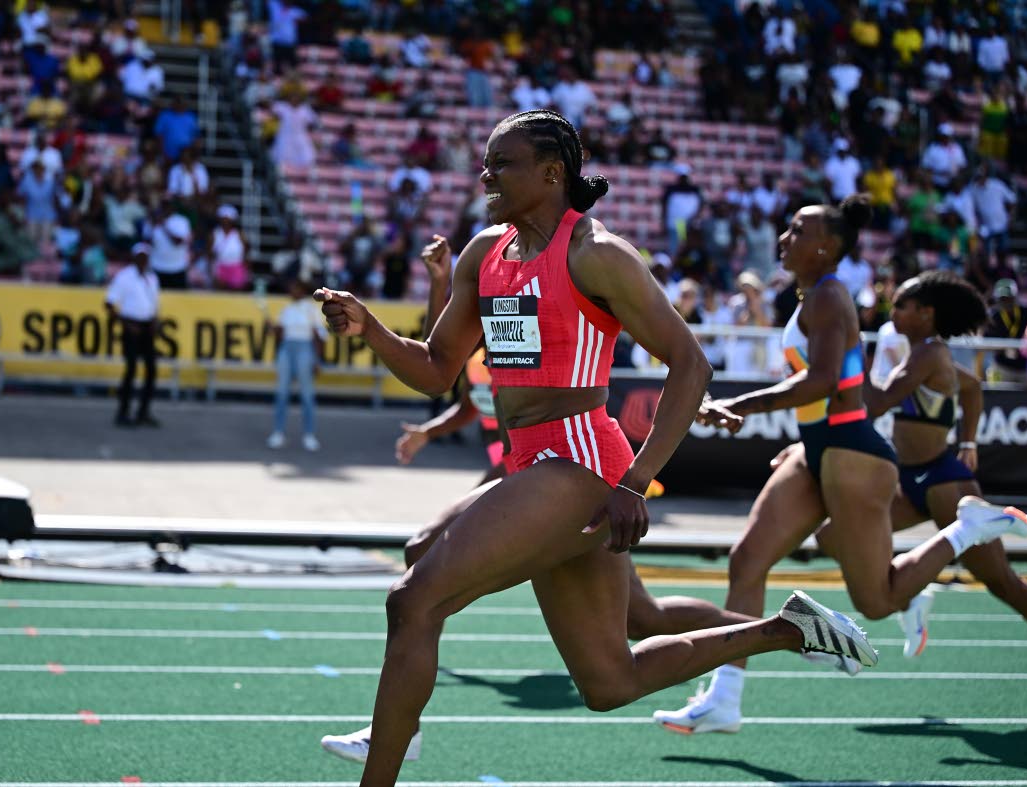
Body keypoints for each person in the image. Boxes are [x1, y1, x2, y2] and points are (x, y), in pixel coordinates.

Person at [314, 111, 878, 783]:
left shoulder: (596, 253)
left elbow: (691, 364)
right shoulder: (483, 253)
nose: (486, 175)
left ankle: (382, 763)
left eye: (504, 164)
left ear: (553, 174)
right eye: (487, 163)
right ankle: (786, 629)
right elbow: (438, 368)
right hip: (530, 462)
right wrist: (370, 327)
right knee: (609, 680)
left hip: (582, 462)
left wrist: (635, 481)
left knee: (414, 598)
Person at [652, 196, 1027, 736]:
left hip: (853, 454)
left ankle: (963, 531)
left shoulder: (829, 297)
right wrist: (800, 442)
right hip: (820, 449)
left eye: (797, 230)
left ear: (826, 247)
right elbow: (832, 389)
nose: (784, 237)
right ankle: (725, 699)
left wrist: (743, 404)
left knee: (877, 601)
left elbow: (823, 382)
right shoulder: (814, 298)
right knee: (746, 562)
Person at [838, 272, 1027, 713]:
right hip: (911, 479)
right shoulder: (923, 353)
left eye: (900, 305)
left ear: (926, 313)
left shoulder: (929, 352)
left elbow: (877, 402)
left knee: (1002, 584)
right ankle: (913, 591)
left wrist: (848, 351)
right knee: (836, 534)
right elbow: (972, 388)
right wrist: (970, 441)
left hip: (944, 483)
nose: (892, 312)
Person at [267, 276, 327, 451]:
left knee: (307, 395)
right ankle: (278, 433)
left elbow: (319, 335)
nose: (292, 291)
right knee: (281, 393)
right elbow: (279, 335)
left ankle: (309, 435)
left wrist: (317, 360)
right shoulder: (286, 309)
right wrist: (272, 329)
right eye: (291, 288)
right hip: (286, 349)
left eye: (295, 288)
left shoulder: (311, 309)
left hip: (305, 349)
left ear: (302, 290)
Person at [105, 243, 161, 428]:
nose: (143, 260)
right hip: (131, 327)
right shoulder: (124, 277)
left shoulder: (152, 278)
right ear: (134, 257)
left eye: (146, 257)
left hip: (146, 327)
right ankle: (123, 412)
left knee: (151, 371)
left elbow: (153, 304)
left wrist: (154, 321)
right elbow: (109, 304)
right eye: (140, 256)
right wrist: (126, 324)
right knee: (130, 371)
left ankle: (143, 412)